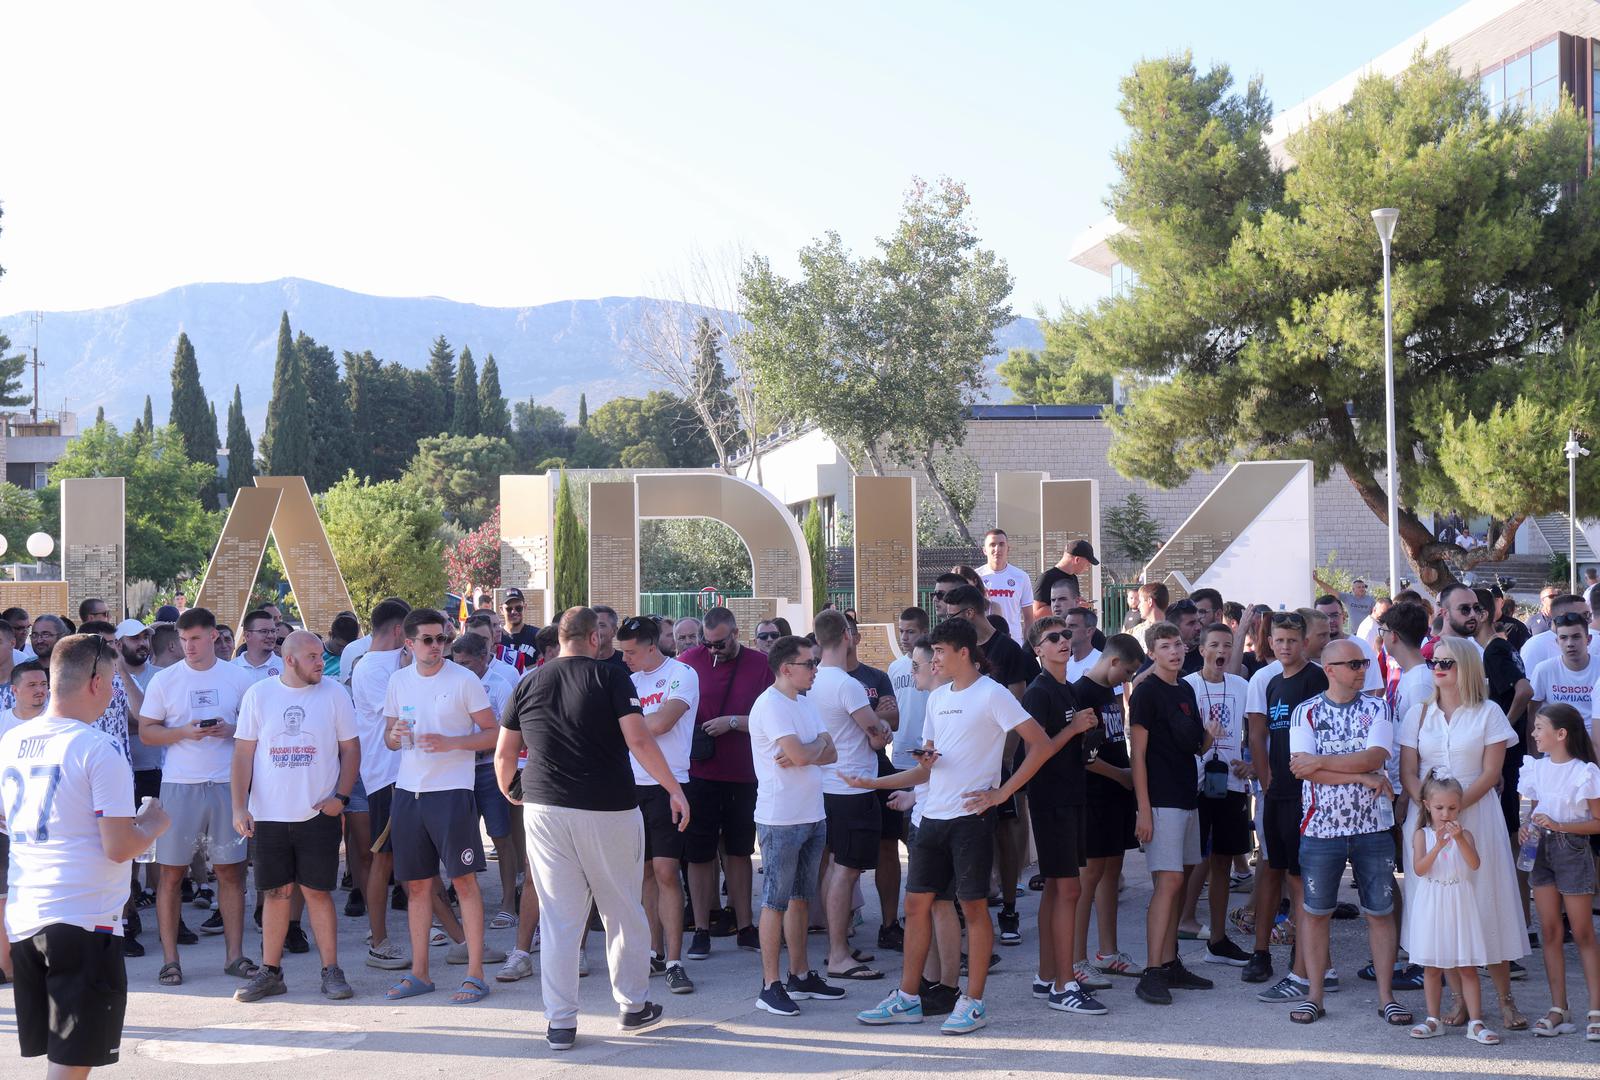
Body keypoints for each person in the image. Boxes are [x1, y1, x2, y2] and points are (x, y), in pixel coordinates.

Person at [853, 616, 1058, 1034]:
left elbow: (1040, 745)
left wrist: (1001, 793)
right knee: (916, 907)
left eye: (941, 653)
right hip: (932, 818)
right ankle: (908, 998)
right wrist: (873, 781)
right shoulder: (937, 697)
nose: (934, 662)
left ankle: (974, 1002)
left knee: (974, 909)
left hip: (971, 820)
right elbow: (926, 768)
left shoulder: (993, 695)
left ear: (963, 653)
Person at [496, 606, 686, 1051]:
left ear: (559, 639)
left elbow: (505, 753)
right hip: (609, 808)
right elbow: (638, 739)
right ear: (595, 639)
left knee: (560, 919)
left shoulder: (528, 682)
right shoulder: (611, 677)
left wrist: (514, 792)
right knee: (622, 909)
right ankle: (632, 1005)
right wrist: (674, 788)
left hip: (544, 809)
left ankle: (560, 1023)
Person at [1, 633, 172, 1077]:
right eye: (114, 680)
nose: (116, 691)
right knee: (72, 1066)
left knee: (64, 1061)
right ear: (96, 681)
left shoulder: (10, 741)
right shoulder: (98, 748)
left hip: (26, 915)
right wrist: (153, 821)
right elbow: (119, 847)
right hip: (82, 917)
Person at [1398, 637, 1529, 1031]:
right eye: (1433, 661)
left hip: (1478, 818)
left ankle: (1506, 1001)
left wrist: (1452, 809)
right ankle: (1458, 1002)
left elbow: (1492, 773)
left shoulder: (1488, 712)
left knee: (1488, 903)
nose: (1437, 667)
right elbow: (1407, 770)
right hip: (1426, 819)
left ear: (1466, 667)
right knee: (1440, 909)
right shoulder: (1418, 714)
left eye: (1447, 662)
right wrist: (1432, 813)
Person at [229, 630, 360, 1002]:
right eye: (313, 656)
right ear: (290, 660)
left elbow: (351, 750)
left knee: (318, 893)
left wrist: (341, 797)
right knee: (275, 893)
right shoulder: (259, 695)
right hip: (268, 815)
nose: (321, 662)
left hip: (319, 813)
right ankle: (270, 973)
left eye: (321, 655)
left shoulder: (334, 693)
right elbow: (242, 755)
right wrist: (240, 806)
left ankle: (331, 971)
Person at [136, 607, 261, 986]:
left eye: (195, 639)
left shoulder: (238, 678)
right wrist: (182, 734)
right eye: (183, 640)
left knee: (231, 872)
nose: (188, 646)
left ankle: (234, 955)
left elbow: (256, 730)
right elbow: (146, 732)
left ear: (213, 637)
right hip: (179, 784)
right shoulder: (165, 680)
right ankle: (170, 959)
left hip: (227, 784)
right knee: (171, 874)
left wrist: (229, 730)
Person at [380, 608, 498, 1006]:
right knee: (416, 886)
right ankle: (420, 973)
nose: (436, 647)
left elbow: (494, 733)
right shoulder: (398, 680)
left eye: (441, 639)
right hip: (408, 792)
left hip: (452, 792)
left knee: (464, 881)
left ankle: (475, 973)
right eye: (427, 640)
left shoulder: (464, 680)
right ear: (409, 643)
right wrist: (394, 735)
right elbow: (390, 739)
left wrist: (452, 743)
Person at [1284, 638, 1404, 1027]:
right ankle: (1314, 996)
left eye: (1364, 662)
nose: (1361, 669)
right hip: (1320, 829)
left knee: (1380, 913)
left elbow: (1375, 756)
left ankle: (1386, 997)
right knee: (1315, 914)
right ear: (1329, 669)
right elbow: (1302, 770)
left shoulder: (1378, 706)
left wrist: (1328, 762)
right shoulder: (1305, 712)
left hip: (1372, 828)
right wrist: (1361, 776)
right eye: (1353, 664)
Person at [747, 634, 845, 1017]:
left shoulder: (805, 703)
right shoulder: (770, 705)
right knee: (775, 899)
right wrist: (810, 750)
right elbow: (805, 753)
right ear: (786, 669)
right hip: (780, 818)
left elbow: (827, 750)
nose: (815, 670)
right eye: (809, 664)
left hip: (811, 813)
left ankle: (800, 974)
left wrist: (810, 750)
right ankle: (770, 985)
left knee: (803, 898)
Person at [1129, 622, 1218, 1006]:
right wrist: (1144, 810)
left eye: (1178, 645)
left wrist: (1210, 736)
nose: (1175, 652)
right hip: (1161, 802)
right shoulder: (1146, 693)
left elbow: (1195, 745)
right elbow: (1139, 756)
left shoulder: (1184, 688)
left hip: (1187, 796)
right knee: (1166, 885)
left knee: (1178, 883)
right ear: (1152, 653)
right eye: (1165, 646)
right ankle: (1151, 971)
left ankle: (1169, 963)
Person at [1021, 616, 1105, 1014]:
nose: (1062, 641)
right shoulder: (1039, 693)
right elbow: (1035, 752)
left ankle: (1047, 975)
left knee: (1058, 889)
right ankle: (1063, 984)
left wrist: (1088, 732)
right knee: (1068, 889)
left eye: (1065, 635)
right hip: (1051, 798)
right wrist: (1074, 732)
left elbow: (1074, 742)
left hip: (1072, 794)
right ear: (1037, 649)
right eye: (1052, 638)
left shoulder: (1067, 689)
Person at [946, 583, 1038, 943]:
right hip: (963, 761)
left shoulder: (1007, 649)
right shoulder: (957, 650)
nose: (947, 622)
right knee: (966, 834)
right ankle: (970, 907)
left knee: (1004, 833)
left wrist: (1004, 760)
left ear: (970, 614)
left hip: (1000, 761)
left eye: (953, 616)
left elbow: (1017, 708)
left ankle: (1011, 908)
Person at [678, 606, 772, 958]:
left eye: (720, 643)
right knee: (700, 855)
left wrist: (733, 722)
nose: (713, 649)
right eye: (709, 643)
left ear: (735, 634)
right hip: (700, 774)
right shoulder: (690, 661)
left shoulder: (759, 665)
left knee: (739, 852)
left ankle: (744, 925)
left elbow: (770, 717)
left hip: (744, 774)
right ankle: (702, 928)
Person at [1243, 611, 1327, 995]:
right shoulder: (1271, 682)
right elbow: (1258, 736)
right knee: (1271, 870)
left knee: (1299, 878)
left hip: (1307, 792)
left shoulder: (1318, 678)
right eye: (1279, 641)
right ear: (1270, 642)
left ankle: (1307, 962)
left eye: (1292, 640)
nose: (1286, 647)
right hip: (1276, 791)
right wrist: (1265, 778)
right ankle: (1262, 952)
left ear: (1305, 642)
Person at [617, 615, 700, 994]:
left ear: (653, 647)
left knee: (668, 872)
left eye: (631, 652)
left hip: (671, 784)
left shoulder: (682, 674)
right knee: (644, 874)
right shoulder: (627, 681)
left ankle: (675, 960)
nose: (626, 659)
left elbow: (665, 722)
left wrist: (625, 725)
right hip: (631, 786)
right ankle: (652, 951)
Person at [809, 610, 892, 979]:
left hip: (827, 785)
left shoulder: (812, 680)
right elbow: (876, 735)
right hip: (851, 786)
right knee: (846, 870)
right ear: (846, 635)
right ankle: (839, 954)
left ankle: (837, 944)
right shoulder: (847, 684)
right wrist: (884, 725)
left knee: (837, 867)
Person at [1517, 703, 1600, 1040]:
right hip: (1540, 850)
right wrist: (1526, 826)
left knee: (1582, 932)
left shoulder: (1585, 772)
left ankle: (1595, 1009)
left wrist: (1560, 824)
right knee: (1549, 930)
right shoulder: (1534, 768)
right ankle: (1558, 1007)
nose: (1535, 734)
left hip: (1571, 848)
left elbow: (1596, 822)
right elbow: (1529, 809)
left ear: (1561, 734)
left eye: (1540, 728)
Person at [1071, 634, 1145, 986]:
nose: (1128, 679)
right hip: (1094, 796)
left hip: (1117, 795)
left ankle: (1108, 952)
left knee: (1111, 874)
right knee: (1088, 878)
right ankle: (1075, 959)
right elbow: (1082, 757)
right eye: (1128, 672)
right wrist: (1121, 775)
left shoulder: (1109, 693)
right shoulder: (1082, 693)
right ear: (1114, 662)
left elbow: (1116, 740)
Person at [1181, 623, 1253, 966]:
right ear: (1202, 649)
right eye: (1214, 645)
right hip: (1195, 784)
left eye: (1227, 645)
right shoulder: (1187, 686)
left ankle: (1219, 939)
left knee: (1224, 859)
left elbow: (1255, 729)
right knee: (1190, 859)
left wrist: (1250, 763)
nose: (1221, 651)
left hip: (1231, 784)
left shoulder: (1241, 685)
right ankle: (1174, 933)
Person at [1405, 774, 1494, 1042]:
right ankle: (1433, 1019)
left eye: (1452, 808)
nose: (1446, 813)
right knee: (1432, 966)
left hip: (1459, 900)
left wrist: (1458, 841)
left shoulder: (1464, 834)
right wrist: (1438, 846)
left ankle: (1476, 1022)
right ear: (1427, 806)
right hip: (1432, 901)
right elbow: (1420, 869)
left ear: (1460, 807)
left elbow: (1474, 864)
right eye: (1439, 808)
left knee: (1466, 965)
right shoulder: (1422, 834)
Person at [349, 598, 410, 970]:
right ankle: (379, 940)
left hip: (409, 774)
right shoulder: (371, 668)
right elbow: (401, 709)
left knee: (416, 863)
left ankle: (454, 935)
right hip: (386, 776)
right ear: (400, 630)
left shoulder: (397, 662)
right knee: (382, 861)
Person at [448, 633, 520, 936]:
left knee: (501, 836)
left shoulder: (500, 686)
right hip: (458, 769)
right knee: (459, 840)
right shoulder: (453, 682)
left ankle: (508, 904)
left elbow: (511, 731)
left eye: (466, 662)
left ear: (483, 657)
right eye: (457, 662)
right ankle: (465, 903)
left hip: (489, 769)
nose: (461, 667)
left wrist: (481, 747)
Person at [1529, 610, 1600, 734]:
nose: (1570, 644)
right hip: (1556, 746)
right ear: (1557, 642)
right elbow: (1532, 717)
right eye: (1563, 638)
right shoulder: (1543, 670)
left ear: (1588, 639)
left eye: (1576, 637)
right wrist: (1534, 753)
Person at [979, 528, 1031, 641]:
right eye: (992, 545)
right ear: (984, 550)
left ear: (1008, 548)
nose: (997, 549)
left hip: (1013, 641)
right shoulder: (976, 576)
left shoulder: (1021, 577)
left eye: (1001, 544)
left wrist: (1028, 647)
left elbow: (1029, 618)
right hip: (984, 641)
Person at [1031, 539, 1098, 622]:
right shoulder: (1046, 578)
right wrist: (1073, 607)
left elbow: (1073, 606)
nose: (1088, 567)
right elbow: (1036, 613)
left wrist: (1082, 605)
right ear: (1077, 560)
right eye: (1088, 563)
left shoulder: (1073, 578)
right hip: (1052, 631)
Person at [234, 610, 285, 681]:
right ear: (247, 635)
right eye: (264, 631)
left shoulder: (286, 668)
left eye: (273, 631)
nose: (270, 636)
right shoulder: (231, 668)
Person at [592, 605, 629, 672]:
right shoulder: (579, 665)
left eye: (601, 626)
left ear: (614, 631)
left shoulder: (628, 663)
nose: (594, 631)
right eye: (591, 625)